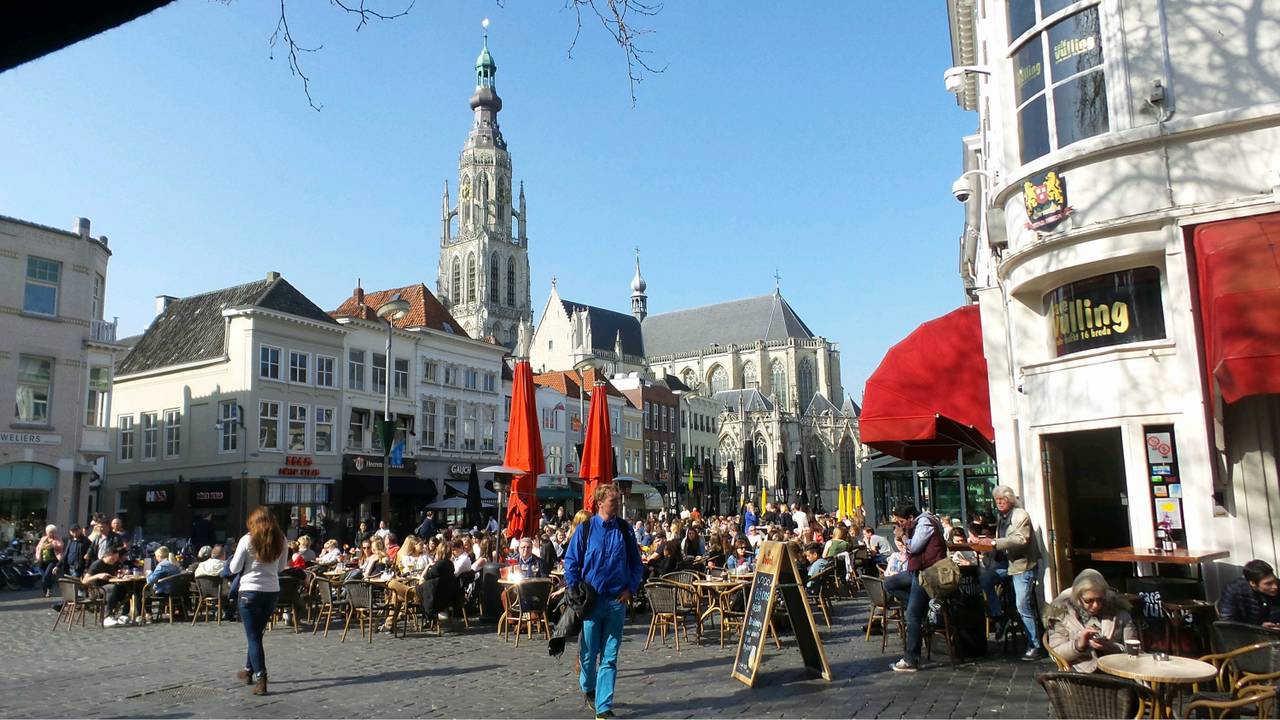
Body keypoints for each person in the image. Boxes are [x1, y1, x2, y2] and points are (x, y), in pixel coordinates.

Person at [563, 484, 643, 720]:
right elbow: (571, 561)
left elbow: (636, 563)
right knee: (588, 654)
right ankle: (588, 687)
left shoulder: (624, 530)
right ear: (600, 503)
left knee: (610, 656)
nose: (617, 504)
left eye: (618, 500)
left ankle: (603, 706)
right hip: (591, 601)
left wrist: (630, 588)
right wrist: (575, 589)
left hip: (616, 601)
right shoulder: (586, 530)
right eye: (613, 501)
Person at [969, 485, 1044, 660]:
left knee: (1022, 605)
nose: (999, 503)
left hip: (1022, 565)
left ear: (1010, 499)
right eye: (997, 500)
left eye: (1002, 499)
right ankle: (998, 616)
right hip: (1007, 564)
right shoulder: (1001, 517)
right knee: (985, 579)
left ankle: (1035, 645)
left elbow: (1021, 539)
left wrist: (994, 543)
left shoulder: (1020, 515)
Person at [228, 506, 289, 695]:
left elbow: (234, 568)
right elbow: (281, 568)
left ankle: (261, 678)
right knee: (256, 633)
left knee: (253, 636)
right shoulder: (282, 540)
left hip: (249, 591)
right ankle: (248, 671)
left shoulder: (247, 540)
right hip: (271, 591)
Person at [884, 503, 947, 673]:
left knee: (912, 615)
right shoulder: (919, 523)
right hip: (916, 571)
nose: (901, 524)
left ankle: (911, 659)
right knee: (889, 583)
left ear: (911, 518)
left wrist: (903, 537)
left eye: (902, 521)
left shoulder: (924, 523)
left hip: (926, 573)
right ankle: (923, 606)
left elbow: (915, 547)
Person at [1045, 569, 1138, 673]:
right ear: (1077, 597)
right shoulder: (1062, 613)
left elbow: (1134, 651)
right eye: (1089, 601)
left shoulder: (1119, 611)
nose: (1096, 605)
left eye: (1100, 600)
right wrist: (1079, 644)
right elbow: (1056, 654)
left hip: (1117, 671)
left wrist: (1111, 647)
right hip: (1081, 675)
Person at [84, 546, 142, 627]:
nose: (114, 561)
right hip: (96, 589)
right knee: (112, 588)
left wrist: (121, 575)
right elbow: (84, 580)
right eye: (112, 559)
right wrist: (98, 576)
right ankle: (107, 616)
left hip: (109, 585)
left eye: (116, 559)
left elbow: (112, 576)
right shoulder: (97, 564)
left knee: (128, 588)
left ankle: (124, 615)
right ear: (106, 556)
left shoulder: (113, 564)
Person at [1219, 559, 1280, 628]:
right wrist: (1258, 627)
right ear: (1253, 583)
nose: (1275, 586)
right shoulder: (1234, 591)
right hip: (1246, 634)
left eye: (1275, 581)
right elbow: (1227, 623)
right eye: (1268, 584)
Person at [34, 524, 63, 597]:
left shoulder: (57, 539)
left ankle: (47, 591)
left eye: (53, 532)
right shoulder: (43, 539)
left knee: (46, 576)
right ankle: (46, 591)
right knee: (46, 577)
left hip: (52, 561)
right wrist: (37, 557)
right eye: (50, 532)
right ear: (46, 532)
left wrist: (53, 545)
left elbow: (61, 546)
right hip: (42, 561)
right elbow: (38, 548)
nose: (51, 534)